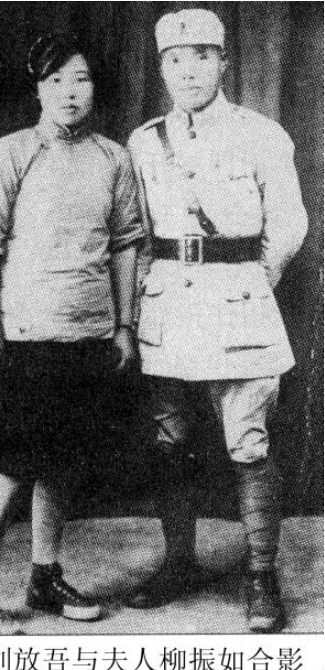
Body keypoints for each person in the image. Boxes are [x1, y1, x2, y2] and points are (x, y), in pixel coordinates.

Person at [0, 32, 143, 634]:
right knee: (15, 464)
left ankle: (44, 574)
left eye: (80, 79)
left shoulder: (114, 158)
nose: (69, 92)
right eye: (56, 80)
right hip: (27, 334)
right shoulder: (10, 153)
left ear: (95, 87)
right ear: (37, 88)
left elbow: (126, 245)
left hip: (91, 334)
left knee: (62, 463)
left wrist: (124, 325)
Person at [127, 9, 308, 632]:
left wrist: (254, 282)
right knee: (169, 439)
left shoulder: (262, 134)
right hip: (168, 304)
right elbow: (139, 231)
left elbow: (288, 224)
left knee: (248, 441)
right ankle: (179, 561)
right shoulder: (145, 141)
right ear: (163, 69)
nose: (189, 71)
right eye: (175, 60)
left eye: (203, 56)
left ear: (224, 62)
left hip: (238, 301)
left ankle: (261, 576)